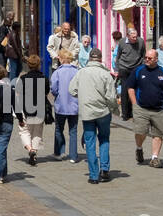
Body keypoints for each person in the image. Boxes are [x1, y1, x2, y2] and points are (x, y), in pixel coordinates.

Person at [69, 48, 117, 185]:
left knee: (90, 142)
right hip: (103, 112)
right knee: (104, 139)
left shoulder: (81, 73)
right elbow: (111, 97)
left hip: (87, 112)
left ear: (90, 59)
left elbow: (72, 90)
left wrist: (83, 96)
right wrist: (114, 108)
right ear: (100, 59)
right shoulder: (106, 74)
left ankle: (93, 175)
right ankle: (105, 170)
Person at [128, 48, 163, 169]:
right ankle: (139, 148)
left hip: (159, 109)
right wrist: (134, 104)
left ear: (156, 59)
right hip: (141, 108)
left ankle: (154, 158)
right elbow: (130, 88)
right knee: (140, 132)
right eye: (145, 57)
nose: (147, 60)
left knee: (158, 134)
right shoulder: (138, 70)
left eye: (149, 58)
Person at [13, 54, 49, 166]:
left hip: (25, 109)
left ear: (28, 65)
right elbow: (47, 92)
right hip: (40, 109)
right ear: (39, 65)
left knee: (24, 131)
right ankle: (34, 151)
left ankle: (30, 150)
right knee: (37, 132)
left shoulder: (23, 79)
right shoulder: (44, 78)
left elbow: (17, 94)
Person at [49, 49, 80, 164]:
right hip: (74, 105)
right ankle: (73, 155)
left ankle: (59, 152)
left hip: (60, 105)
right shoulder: (76, 71)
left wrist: (57, 95)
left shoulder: (57, 72)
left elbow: (54, 89)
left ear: (61, 59)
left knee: (59, 129)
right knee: (73, 131)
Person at [112, 26, 145, 121]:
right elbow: (118, 56)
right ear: (128, 36)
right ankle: (125, 114)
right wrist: (118, 69)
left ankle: (135, 113)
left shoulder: (141, 42)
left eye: (136, 36)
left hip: (136, 68)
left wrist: (141, 67)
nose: (135, 39)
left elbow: (143, 55)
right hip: (124, 68)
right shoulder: (122, 42)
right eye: (133, 37)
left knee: (135, 91)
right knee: (125, 91)